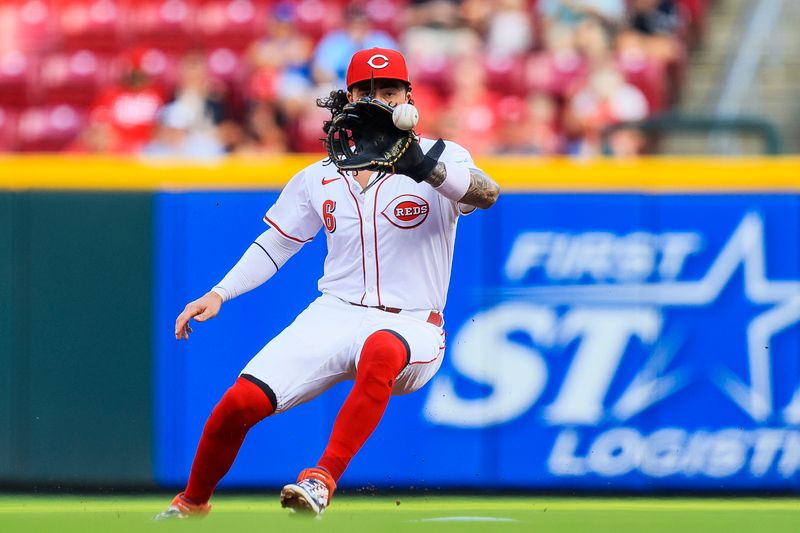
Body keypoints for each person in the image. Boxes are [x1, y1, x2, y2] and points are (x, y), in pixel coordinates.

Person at [154, 47, 500, 519]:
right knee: (238, 404)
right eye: (366, 89)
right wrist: (219, 293)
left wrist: (422, 166)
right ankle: (191, 504)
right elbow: (276, 245)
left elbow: (486, 194)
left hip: (414, 323)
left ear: (407, 98)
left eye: (389, 89)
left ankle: (321, 479)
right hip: (333, 313)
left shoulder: (441, 155)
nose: (377, 98)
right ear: (346, 96)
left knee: (380, 348)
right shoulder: (319, 174)